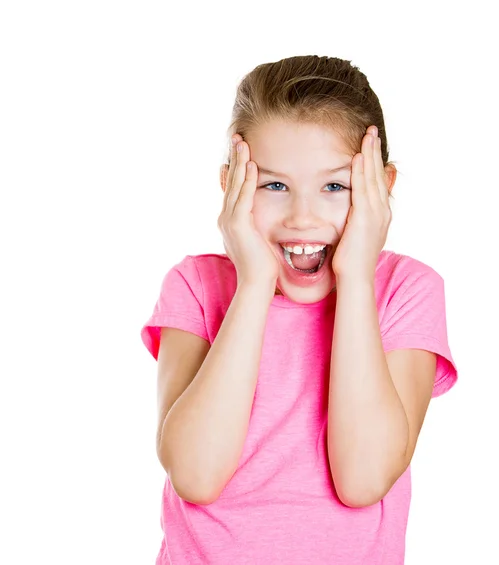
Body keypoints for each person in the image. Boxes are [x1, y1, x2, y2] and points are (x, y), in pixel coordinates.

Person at [140, 55, 458, 565]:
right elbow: (196, 476)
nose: (302, 215)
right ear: (231, 187)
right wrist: (254, 286)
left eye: (335, 187)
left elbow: (363, 479)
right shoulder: (195, 286)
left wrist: (355, 278)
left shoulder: (405, 290)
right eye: (273, 185)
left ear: (383, 187)